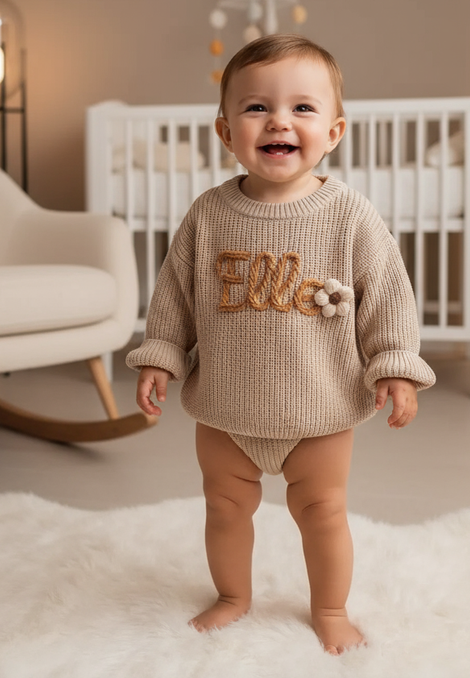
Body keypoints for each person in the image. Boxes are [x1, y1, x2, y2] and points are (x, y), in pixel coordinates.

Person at [126, 34, 436, 655]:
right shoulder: (208, 214)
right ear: (225, 131)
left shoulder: (348, 215)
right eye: (256, 107)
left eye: (302, 108)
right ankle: (233, 596)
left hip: (319, 409)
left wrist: (394, 365)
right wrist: (160, 353)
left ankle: (329, 606)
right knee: (223, 508)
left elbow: (387, 296)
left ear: (335, 130)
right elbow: (175, 294)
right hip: (225, 408)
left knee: (323, 512)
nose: (279, 122)